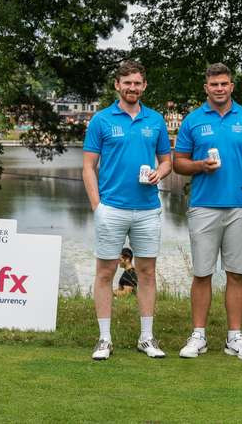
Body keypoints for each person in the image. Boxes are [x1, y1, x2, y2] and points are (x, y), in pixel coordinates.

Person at [173, 63, 242, 360]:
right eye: (214, 84)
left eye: (224, 84)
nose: (219, 88)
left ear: (231, 86)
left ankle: (234, 337)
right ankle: (199, 335)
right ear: (206, 87)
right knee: (202, 273)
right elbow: (178, 163)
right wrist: (200, 165)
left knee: (236, 274)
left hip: (240, 206)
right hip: (203, 206)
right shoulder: (193, 121)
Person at [83, 60, 172, 360]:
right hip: (112, 208)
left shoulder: (156, 120)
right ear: (117, 86)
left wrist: (161, 172)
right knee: (105, 272)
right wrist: (98, 207)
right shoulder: (101, 120)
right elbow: (88, 167)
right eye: (127, 83)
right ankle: (104, 339)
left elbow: (167, 160)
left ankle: (146, 338)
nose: (132, 88)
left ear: (144, 86)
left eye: (137, 83)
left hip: (148, 209)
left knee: (146, 272)